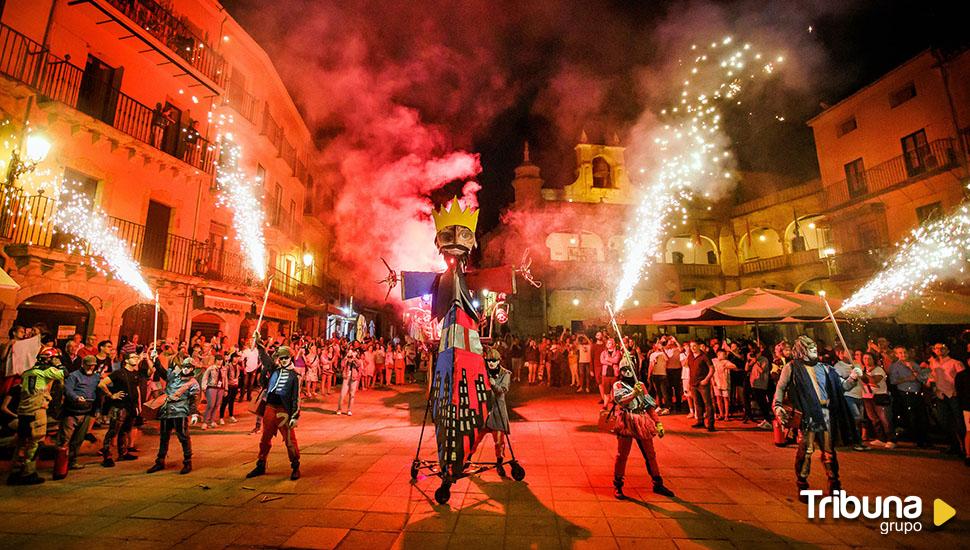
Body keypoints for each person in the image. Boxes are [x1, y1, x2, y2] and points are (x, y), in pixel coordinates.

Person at [773, 336, 859, 501]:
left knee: (829, 451)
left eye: (814, 347)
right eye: (810, 347)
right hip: (808, 415)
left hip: (826, 413)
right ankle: (803, 484)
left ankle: (834, 483)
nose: (814, 350)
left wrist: (853, 377)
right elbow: (781, 387)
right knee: (806, 451)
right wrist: (777, 406)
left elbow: (842, 386)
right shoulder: (792, 367)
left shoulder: (826, 368)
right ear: (801, 350)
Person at [611, 359, 673, 499]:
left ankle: (657, 483)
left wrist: (658, 422)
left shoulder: (641, 385)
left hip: (641, 420)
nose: (627, 372)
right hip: (627, 420)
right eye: (624, 370)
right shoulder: (618, 384)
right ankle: (618, 485)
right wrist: (633, 393)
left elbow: (649, 405)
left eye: (629, 369)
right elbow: (620, 400)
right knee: (622, 455)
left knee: (650, 454)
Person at [7, 349, 64, 485]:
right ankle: (27, 472)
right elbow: (64, 373)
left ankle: (15, 471)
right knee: (35, 442)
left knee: (22, 442)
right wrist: (59, 364)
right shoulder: (47, 371)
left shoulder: (28, 373)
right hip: (37, 411)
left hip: (24, 412)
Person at [247, 337, 302, 480]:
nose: (282, 360)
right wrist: (259, 344)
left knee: (290, 440)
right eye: (280, 358)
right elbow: (265, 359)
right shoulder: (274, 368)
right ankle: (261, 464)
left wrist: (295, 416)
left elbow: (296, 398)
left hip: (284, 411)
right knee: (265, 438)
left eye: (285, 358)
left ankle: (295, 466)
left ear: (290, 358)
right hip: (270, 408)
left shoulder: (294, 376)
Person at [147, 355, 200, 474]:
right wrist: (156, 360)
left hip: (180, 411)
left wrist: (194, 413)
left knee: (183, 437)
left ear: (192, 369)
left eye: (189, 367)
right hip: (167, 410)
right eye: (185, 366)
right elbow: (162, 372)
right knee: (164, 437)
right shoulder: (174, 376)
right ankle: (159, 461)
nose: (186, 369)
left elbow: (194, 399)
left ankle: (187, 462)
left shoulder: (193, 383)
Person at [98, 351, 142, 467]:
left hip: (131, 406)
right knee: (113, 431)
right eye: (133, 357)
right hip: (120, 406)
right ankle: (107, 456)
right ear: (126, 360)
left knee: (125, 430)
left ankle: (123, 452)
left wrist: (138, 405)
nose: (136, 359)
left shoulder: (135, 374)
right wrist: (111, 395)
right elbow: (102, 384)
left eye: (137, 357)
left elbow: (136, 389)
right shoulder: (119, 373)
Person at [59, 355, 100, 470]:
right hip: (72, 412)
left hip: (86, 411)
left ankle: (73, 461)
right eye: (89, 365)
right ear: (83, 364)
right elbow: (68, 389)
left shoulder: (96, 377)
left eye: (93, 366)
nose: (91, 368)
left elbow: (99, 389)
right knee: (65, 439)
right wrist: (76, 397)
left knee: (78, 439)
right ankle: (61, 464)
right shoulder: (74, 376)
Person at [887, 346, 930, 447]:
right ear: (896, 354)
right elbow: (893, 381)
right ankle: (915, 438)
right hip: (905, 393)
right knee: (911, 417)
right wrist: (908, 378)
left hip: (917, 393)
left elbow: (922, 378)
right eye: (900, 353)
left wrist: (916, 371)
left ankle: (923, 439)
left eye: (905, 352)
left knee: (922, 417)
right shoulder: (894, 366)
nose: (903, 354)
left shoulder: (914, 364)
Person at [928, 343, 965, 455]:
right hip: (941, 396)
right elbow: (932, 379)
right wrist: (935, 390)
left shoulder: (955, 363)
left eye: (942, 348)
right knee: (944, 422)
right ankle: (954, 446)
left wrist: (957, 390)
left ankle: (964, 447)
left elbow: (964, 379)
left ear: (948, 350)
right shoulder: (934, 363)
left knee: (959, 422)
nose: (939, 350)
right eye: (937, 348)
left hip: (954, 396)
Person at [483, 348, 512, 477]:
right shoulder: (483, 372)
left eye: (493, 361)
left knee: (499, 442)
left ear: (499, 361)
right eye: (489, 360)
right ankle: (467, 459)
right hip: (485, 410)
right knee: (476, 438)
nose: (491, 363)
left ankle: (499, 463)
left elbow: (502, 390)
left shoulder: (505, 374)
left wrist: (493, 384)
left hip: (498, 410)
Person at [833, 347, 867, 451]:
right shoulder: (838, 366)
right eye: (848, 353)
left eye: (852, 353)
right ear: (841, 354)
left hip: (859, 394)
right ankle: (854, 441)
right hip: (848, 395)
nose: (851, 355)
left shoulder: (856, 364)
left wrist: (861, 374)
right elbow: (840, 382)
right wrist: (851, 375)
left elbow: (864, 378)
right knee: (855, 418)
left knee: (860, 420)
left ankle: (859, 441)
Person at [861, 352, 893, 448]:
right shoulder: (864, 370)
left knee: (885, 419)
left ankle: (891, 439)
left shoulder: (878, 370)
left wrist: (862, 374)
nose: (866, 361)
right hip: (867, 396)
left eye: (869, 358)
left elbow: (874, 381)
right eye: (865, 358)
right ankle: (881, 438)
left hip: (879, 396)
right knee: (874, 419)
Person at [687, 341, 715, 431]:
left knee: (708, 404)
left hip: (702, 384)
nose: (693, 348)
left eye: (694, 346)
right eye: (691, 346)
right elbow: (690, 370)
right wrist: (689, 382)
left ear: (699, 346)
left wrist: (706, 379)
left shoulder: (704, 356)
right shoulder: (690, 356)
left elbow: (712, 368)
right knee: (697, 403)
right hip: (693, 383)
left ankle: (711, 424)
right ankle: (700, 421)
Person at [200, 354, 227, 429]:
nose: (219, 362)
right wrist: (204, 386)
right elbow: (205, 377)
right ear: (215, 360)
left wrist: (226, 389)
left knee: (217, 404)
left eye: (221, 360)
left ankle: (212, 420)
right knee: (211, 404)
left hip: (220, 388)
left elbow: (225, 379)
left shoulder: (224, 369)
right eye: (218, 360)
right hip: (212, 387)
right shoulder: (211, 368)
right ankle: (205, 422)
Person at [337, 346, 362, 416]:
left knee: (352, 395)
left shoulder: (357, 360)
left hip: (354, 378)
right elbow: (342, 364)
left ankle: (349, 410)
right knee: (342, 394)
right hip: (346, 377)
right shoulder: (346, 359)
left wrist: (354, 358)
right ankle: (339, 409)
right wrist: (346, 358)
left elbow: (359, 365)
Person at [955, 359, 970, 466]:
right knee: (969, 431)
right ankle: (968, 455)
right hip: (968, 407)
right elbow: (960, 392)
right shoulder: (962, 375)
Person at [599, 338, 622, 408]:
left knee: (615, 391)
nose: (609, 344)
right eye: (608, 343)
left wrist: (608, 359)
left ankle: (616, 406)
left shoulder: (617, 352)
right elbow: (602, 361)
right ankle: (605, 405)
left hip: (614, 375)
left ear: (613, 344)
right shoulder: (603, 353)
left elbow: (616, 360)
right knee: (606, 392)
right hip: (606, 375)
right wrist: (611, 364)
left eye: (610, 343)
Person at [711, 349, 733, 421]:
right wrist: (712, 380)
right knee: (718, 398)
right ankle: (721, 414)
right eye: (723, 354)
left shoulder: (726, 361)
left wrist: (726, 366)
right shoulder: (713, 361)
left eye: (724, 354)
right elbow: (711, 370)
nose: (724, 355)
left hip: (725, 382)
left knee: (726, 398)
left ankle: (726, 415)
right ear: (718, 354)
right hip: (716, 382)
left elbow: (734, 366)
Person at [220, 354, 241, 424]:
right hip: (228, 386)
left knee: (232, 401)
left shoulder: (238, 367)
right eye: (235, 357)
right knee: (225, 402)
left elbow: (238, 377)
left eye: (237, 357)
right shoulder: (228, 366)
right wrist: (225, 387)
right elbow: (224, 377)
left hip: (235, 386)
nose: (236, 359)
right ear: (232, 358)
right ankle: (221, 417)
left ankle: (231, 415)